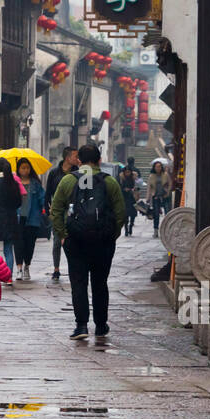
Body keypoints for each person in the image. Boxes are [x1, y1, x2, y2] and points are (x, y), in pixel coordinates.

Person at [50, 143, 124, 341]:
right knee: (100, 283)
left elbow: (55, 210)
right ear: (99, 160)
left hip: (75, 241)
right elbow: (120, 213)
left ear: (79, 161)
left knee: (79, 283)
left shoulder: (67, 181)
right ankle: (100, 325)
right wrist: (112, 235)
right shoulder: (110, 183)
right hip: (103, 242)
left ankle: (81, 325)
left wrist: (63, 235)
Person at [43, 146, 78, 281]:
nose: (77, 158)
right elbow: (48, 192)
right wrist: (47, 208)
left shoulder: (78, 173)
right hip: (57, 211)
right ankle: (56, 269)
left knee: (72, 240)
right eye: (75, 156)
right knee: (57, 241)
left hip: (72, 210)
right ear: (68, 158)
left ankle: (73, 267)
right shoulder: (54, 173)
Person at [15, 158, 47, 282]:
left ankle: (27, 266)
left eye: (27, 167)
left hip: (32, 219)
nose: (25, 170)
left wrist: (45, 208)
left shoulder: (35, 184)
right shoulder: (14, 182)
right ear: (18, 169)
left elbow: (42, 199)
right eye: (23, 167)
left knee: (29, 245)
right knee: (18, 244)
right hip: (17, 219)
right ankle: (19, 269)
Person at [117, 159, 139, 237]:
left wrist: (134, 190)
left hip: (132, 198)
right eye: (126, 172)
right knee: (125, 215)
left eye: (129, 172)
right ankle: (126, 228)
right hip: (124, 198)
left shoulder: (133, 178)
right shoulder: (121, 178)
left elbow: (137, 187)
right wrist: (124, 189)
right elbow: (119, 187)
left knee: (132, 214)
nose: (127, 173)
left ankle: (131, 226)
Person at [149, 160, 172, 230]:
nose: (158, 168)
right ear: (154, 167)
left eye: (159, 166)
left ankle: (167, 229)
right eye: (156, 167)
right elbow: (149, 187)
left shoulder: (165, 174)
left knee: (167, 213)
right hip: (156, 197)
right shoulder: (151, 176)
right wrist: (148, 198)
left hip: (165, 196)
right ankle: (155, 229)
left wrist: (168, 191)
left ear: (161, 167)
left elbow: (170, 183)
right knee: (156, 214)